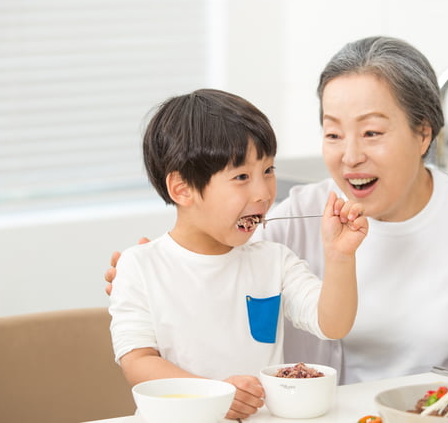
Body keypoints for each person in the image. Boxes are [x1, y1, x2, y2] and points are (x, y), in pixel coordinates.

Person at [107, 37, 448, 385]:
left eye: (371, 133)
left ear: (423, 134)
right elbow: (216, 254)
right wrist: (154, 267)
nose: (349, 155)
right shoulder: (303, 214)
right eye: (333, 134)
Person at [108, 89, 368, 420]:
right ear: (182, 189)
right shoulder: (140, 265)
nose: (263, 193)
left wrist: (340, 256)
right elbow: (138, 361)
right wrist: (215, 396)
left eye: (268, 171)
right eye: (242, 177)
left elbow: (333, 324)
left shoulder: (274, 260)